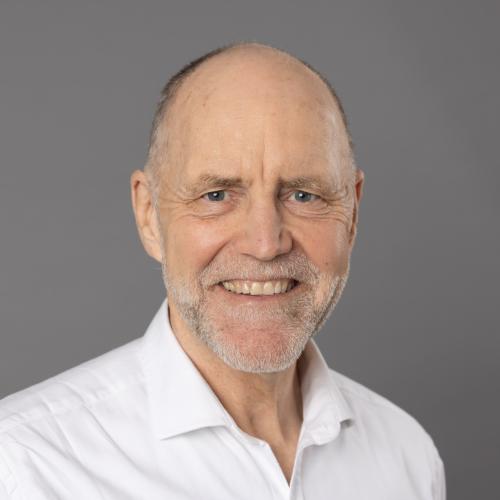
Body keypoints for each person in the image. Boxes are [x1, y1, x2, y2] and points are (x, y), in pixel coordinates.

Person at [0, 42, 446, 499]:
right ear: (150, 216)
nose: (265, 244)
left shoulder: (407, 457)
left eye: (303, 195)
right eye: (216, 195)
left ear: (352, 214)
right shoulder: (23, 468)